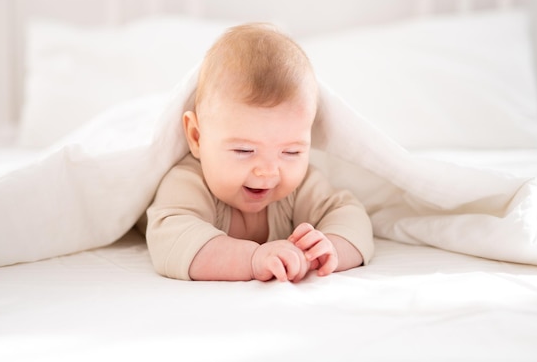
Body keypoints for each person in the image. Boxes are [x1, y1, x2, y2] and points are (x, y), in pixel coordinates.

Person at [145, 23, 373, 282]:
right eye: (244, 150)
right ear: (197, 137)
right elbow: (171, 242)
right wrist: (252, 259)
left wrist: (331, 247)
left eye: (291, 152)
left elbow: (350, 214)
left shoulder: (300, 188)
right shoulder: (188, 182)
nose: (268, 171)